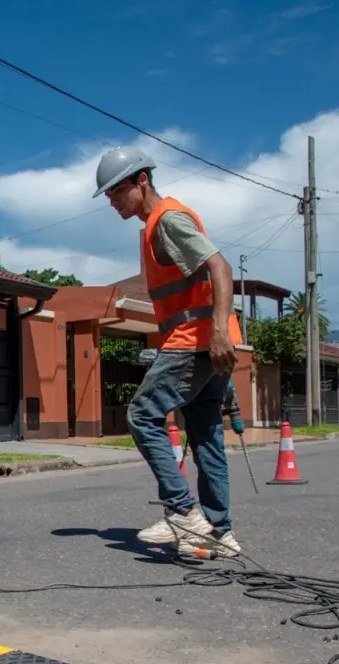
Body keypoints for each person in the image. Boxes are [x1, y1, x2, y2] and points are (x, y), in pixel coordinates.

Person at [93, 146, 243, 557]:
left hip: (195, 341)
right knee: (207, 435)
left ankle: (181, 511)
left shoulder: (168, 220)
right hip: (208, 343)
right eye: (107, 195)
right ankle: (219, 530)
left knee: (142, 414)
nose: (112, 201)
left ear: (142, 180)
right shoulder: (157, 225)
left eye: (117, 191)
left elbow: (221, 268)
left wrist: (216, 333)